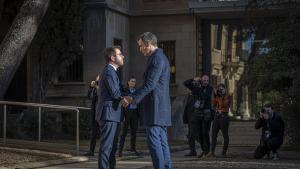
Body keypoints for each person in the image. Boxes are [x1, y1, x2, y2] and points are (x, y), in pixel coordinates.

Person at [124, 32, 172, 169]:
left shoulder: (156, 59)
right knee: (162, 142)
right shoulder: (160, 57)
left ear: (148, 44)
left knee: (155, 142)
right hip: (160, 108)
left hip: (155, 108)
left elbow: (150, 85)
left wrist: (132, 97)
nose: (140, 50)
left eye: (141, 46)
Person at [95, 46, 127, 169]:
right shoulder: (109, 71)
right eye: (120, 54)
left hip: (113, 114)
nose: (123, 56)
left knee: (113, 147)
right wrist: (127, 98)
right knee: (107, 147)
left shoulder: (112, 71)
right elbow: (115, 93)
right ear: (113, 57)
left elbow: (120, 91)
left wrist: (130, 95)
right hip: (108, 114)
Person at [183, 75, 214, 158]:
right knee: (199, 133)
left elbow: (205, 97)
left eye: (207, 80)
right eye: (204, 80)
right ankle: (204, 151)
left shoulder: (209, 88)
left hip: (206, 114)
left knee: (205, 132)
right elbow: (185, 83)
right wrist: (194, 79)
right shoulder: (197, 88)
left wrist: (199, 89)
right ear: (201, 81)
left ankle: (207, 151)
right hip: (198, 114)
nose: (205, 82)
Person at [118, 76, 140, 157]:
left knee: (134, 132)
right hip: (127, 113)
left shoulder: (137, 91)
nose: (133, 83)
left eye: (134, 81)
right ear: (128, 82)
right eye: (131, 81)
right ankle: (120, 151)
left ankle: (133, 149)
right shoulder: (124, 91)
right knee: (123, 133)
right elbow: (123, 100)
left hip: (135, 113)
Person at [210, 83, 231, 157]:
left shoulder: (227, 96)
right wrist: (215, 95)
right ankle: (212, 152)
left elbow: (224, 105)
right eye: (219, 89)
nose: (220, 91)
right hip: (217, 117)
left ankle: (224, 152)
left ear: (225, 89)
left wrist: (220, 96)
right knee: (213, 135)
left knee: (225, 135)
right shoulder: (217, 96)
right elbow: (213, 105)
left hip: (224, 117)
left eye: (222, 89)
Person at [85, 75, 100, 156]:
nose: (97, 81)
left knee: (103, 134)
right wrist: (91, 87)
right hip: (94, 114)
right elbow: (89, 97)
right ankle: (91, 151)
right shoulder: (94, 89)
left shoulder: (103, 88)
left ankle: (105, 151)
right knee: (93, 133)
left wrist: (98, 88)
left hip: (101, 115)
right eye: (97, 79)